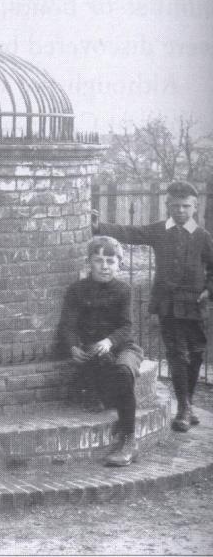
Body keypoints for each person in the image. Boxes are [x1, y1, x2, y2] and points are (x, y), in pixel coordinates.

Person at [93, 180, 213, 432]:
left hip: (195, 305)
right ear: (167, 205)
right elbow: (129, 232)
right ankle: (183, 408)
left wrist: (207, 290)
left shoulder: (202, 237)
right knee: (177, 354)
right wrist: (98, 226)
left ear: (194, 207)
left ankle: (187, 403)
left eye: (185, 206)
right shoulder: (160, 230)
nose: (180, 210)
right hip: (168, 304)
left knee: (197, 353)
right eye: (175, 205)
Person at [57, 236, 144, 466]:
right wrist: (73, 346)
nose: (105, 266)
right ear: (89, 262)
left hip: (123, 346)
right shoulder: (77, 290)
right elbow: (68, 325)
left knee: (124, 370)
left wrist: (109, 340)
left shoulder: (123, 290)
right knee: (101, 365)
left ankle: (129, 440)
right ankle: (106, 397)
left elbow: (126, 326)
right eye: (98, 260)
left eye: (110, 261)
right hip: (94, 349)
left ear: (119, 264)